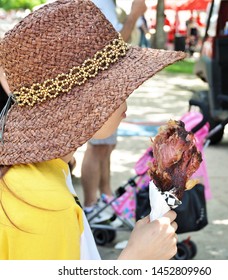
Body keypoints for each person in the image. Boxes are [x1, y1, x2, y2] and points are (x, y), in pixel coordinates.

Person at [0, 0, 185, 260]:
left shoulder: (42, 175)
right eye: (115, 88)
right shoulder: (45, 207)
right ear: (79, 105)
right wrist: (134, 262)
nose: (126, 98)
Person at [81, 0, 147, 219]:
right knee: (97, 145)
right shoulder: (99, 2)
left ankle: (104, 196)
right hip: (98, 83)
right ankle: (91, 204)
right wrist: (133, 16)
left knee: (106, 145)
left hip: (106, 82)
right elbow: (113, 45)